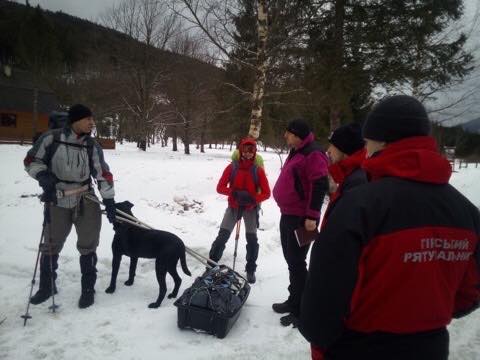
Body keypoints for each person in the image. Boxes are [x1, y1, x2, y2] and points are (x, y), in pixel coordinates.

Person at [299, 95, 480, 360]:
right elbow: (469, 295)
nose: (366, 149)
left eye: (368, 141)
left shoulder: (359, 207)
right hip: (430, 347)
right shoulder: (467, 213)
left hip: (359, 347)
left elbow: (322, 308)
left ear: (382, 140)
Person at [24, 104, 117, 309]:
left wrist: (109, 201)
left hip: (86, 200)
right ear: (75, 120)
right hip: (56, 199)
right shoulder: (51, 138)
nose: (92, 123)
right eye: (88, 119)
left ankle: (88, 289)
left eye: (92, 119)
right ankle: (47, 287)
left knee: (88, 245)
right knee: (51, 244)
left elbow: (103, 173)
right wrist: (42, 176)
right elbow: (31, 160)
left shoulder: (92, 145)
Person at [272, 119, 329, 327]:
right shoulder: (297, 150)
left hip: (303, 220)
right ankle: (293, 299)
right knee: (291, 260)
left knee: (297, 263)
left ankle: (302, 309)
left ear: (297, 135)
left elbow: (320, 183)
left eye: (288, 133)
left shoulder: (313, 153)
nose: (285, 136)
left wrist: (312, 217)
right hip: (288, 214)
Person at [208, 137, 270, 284]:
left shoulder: (258, 170)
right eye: (246, 150)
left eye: (251, 150)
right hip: (233, 207)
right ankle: (211, 264)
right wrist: (234, 193)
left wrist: (252, 198)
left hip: (250, 209)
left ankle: (250, 269)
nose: (248, 153)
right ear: (241, 150)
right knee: (222, 236)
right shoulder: (232, 167)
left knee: (252, 239)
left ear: (255, 152)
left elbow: (267, 193)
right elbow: (220, 187)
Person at [322, 122, 367, 227]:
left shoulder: (357, 181)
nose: (328, 150)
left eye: (333, 145)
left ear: (345, 149)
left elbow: (346, 226)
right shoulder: (350, 175)